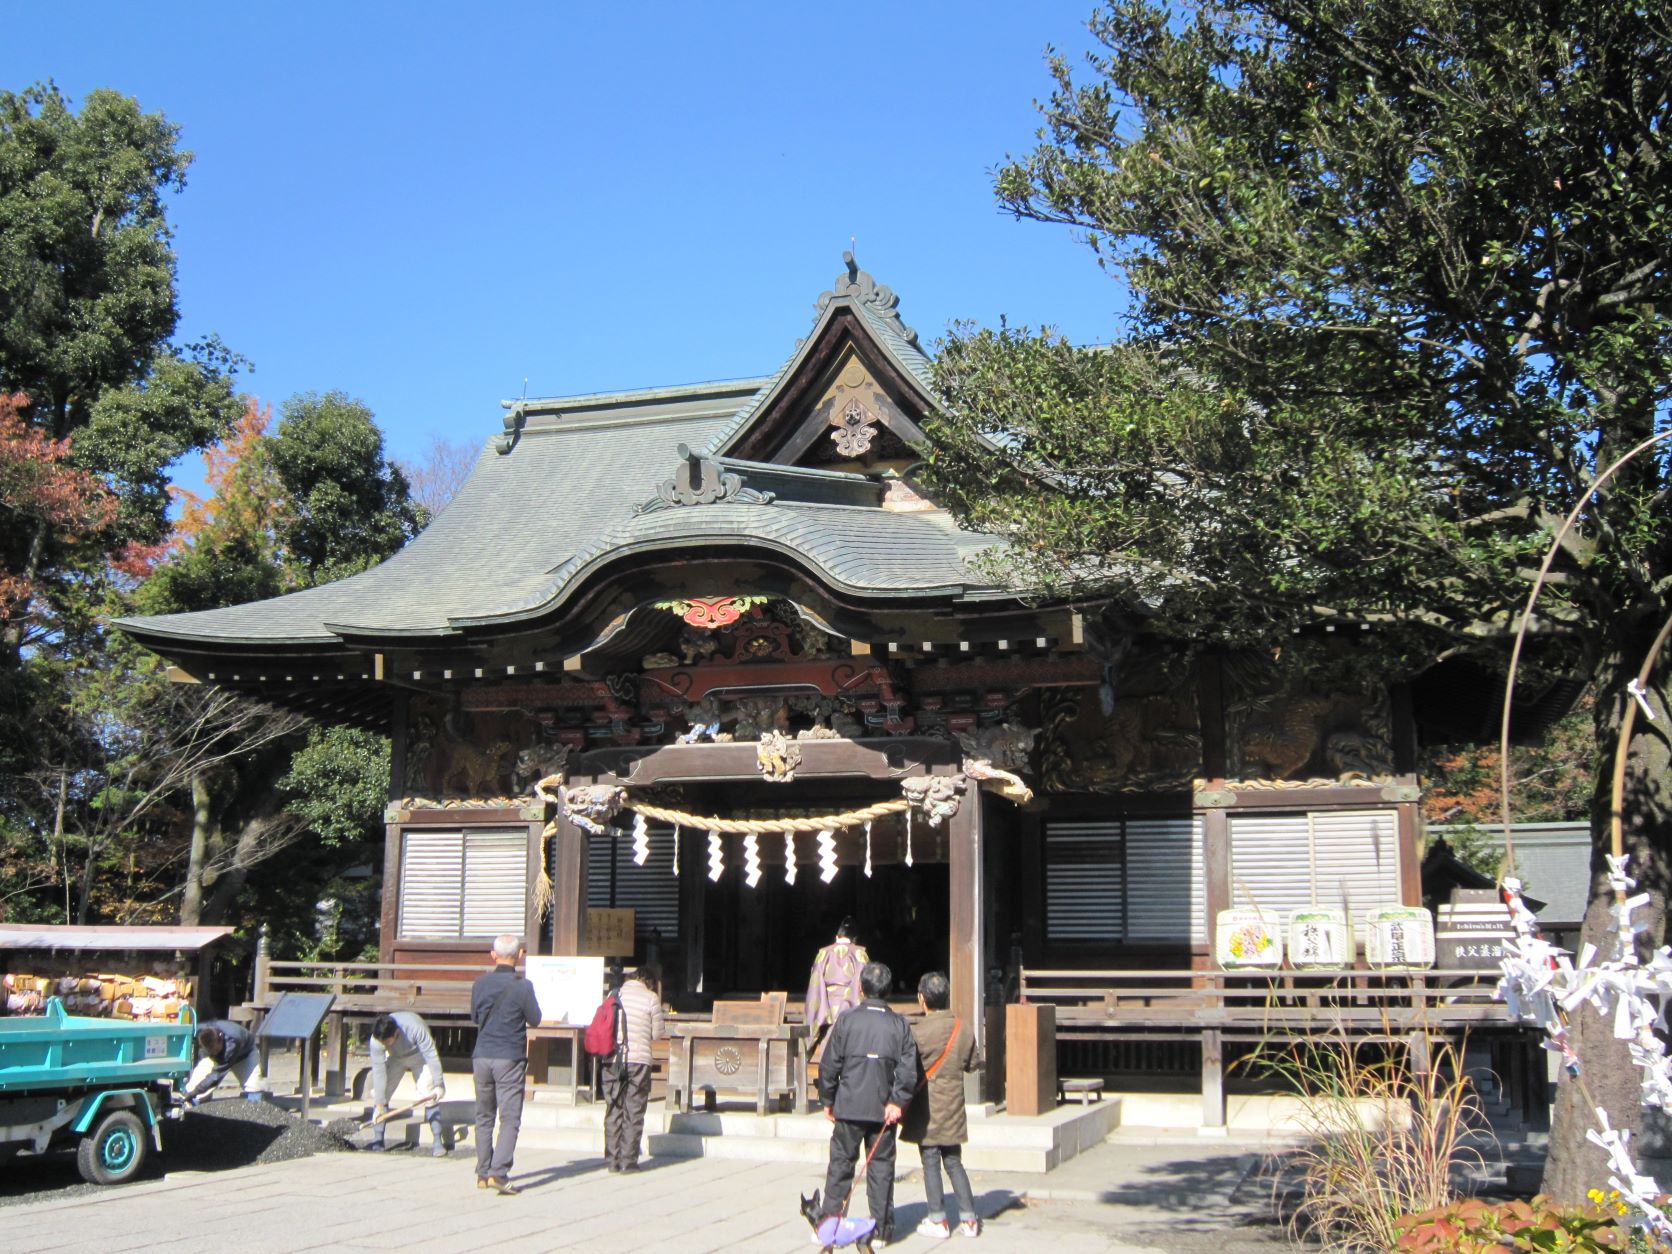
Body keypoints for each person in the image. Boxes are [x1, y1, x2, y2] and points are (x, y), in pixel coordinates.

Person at [816, 961, 918, 1250]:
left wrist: (828, 1098)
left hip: (848, 1105)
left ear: (860, 989)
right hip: (883, 1109)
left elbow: (830, 1064)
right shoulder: (899, 1024)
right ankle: (882, 1228)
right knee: (881, 1169)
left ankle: (831, 1224)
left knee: (841, 1166)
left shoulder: (847, 1020)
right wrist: (898, 1101)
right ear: (888, 991)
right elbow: (909, 1069)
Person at [901, 971, 982, 1239]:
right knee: (954, 1161)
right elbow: (972, 1064)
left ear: (921, 998)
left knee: (930, 1161)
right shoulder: (962, 1027)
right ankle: (969, 1219)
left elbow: (907, 1067)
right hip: (953, 1103)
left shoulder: (917, 1031)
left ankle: (938, 1218)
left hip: (926, 1106)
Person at [470, 934, 542, 1195]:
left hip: (482, 1054)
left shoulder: (480, 984)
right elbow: (535, 1019)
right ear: (520, 954)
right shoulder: (523, 987)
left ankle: (482, 1171)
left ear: (493, 955)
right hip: (509, 1055)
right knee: (509, 1117)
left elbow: (474, 1017)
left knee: (483, 1115)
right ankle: (499, 1172)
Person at [604, 962, 666, 1173]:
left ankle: (612, 1160)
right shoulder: (651, 998)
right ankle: (628, 1161)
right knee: (634, 1109)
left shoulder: (614, 994)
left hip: (613, 1059)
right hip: (639, 1060)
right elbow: (657, 1033)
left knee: (614, 1108)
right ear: (648, 982)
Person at [367, 1011, 447, 1157]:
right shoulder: (376, 1041)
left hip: (419, 1057)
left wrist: (439, 1083)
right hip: (396, 1058)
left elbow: (431, 1055)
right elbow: (379, 1072)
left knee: (428, 1094)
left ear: (396, 1033)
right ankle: (378, 1139)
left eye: (386, 1042)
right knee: (382, 1093)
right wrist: (379, 1104)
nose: (383, 1045)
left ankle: (437, 1140)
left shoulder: (414, 1027)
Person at [804, 917, 869, 1060]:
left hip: (827, 1011)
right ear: (855, 939)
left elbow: (815, 988)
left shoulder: (823, 954)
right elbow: (863, 986)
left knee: (829, 1056)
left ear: (836, 937)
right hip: (852, 1010)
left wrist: (818, 1015)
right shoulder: (860, 954)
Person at [184, 1020, 263, 1103]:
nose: (214, 1052)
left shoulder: (233, 1040)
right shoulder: (200, 1030)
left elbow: (216, 1075)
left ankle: (254, 1108)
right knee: (192, 1088)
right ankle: (193, 1109)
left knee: (254, 1087)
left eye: (216, 1050)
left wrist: (196, 1091)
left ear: (221, 1038)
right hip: (217, 1058)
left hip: (245, 1054)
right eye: (210, 1051)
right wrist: (193, 1092)